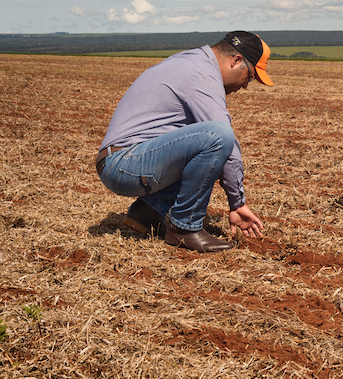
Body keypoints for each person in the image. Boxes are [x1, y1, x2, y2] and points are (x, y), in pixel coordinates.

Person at [96, 31, 273, 253]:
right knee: (218, 136)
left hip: (122, 160)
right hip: (124, 163)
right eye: (250, 76)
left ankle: (148, 212)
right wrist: (237, 203)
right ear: (235, 60)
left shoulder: (191, 61)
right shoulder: (202, 75)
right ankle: (185, 228)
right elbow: (223, 140)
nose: (246, 85)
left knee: (197, 139)